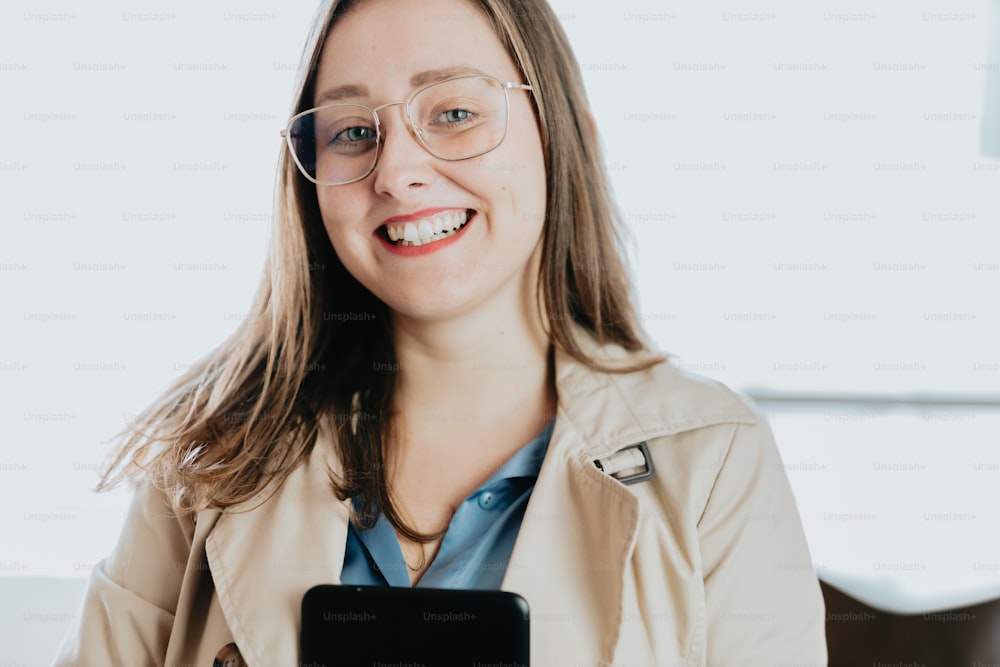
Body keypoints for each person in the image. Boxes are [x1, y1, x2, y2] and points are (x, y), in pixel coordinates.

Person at [54, 0, 827, 664]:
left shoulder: (714, 458)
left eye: (454, 113)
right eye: (353, 132)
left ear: (567, 138)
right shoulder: (208, 463)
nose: (396, 172)